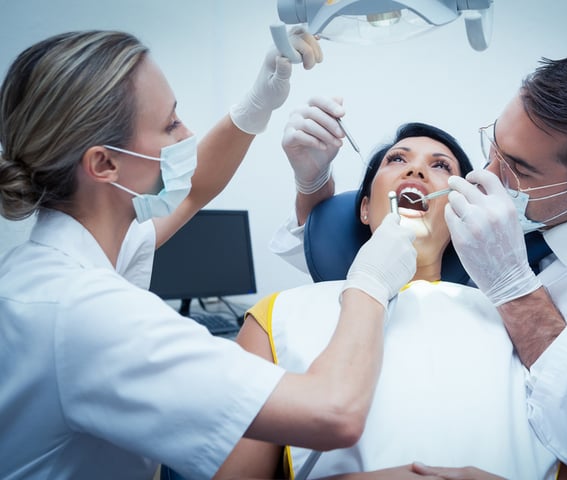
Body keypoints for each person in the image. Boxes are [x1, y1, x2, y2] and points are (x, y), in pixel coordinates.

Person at [271, 52, 567, 479]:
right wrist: (313, 182)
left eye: (517, 168)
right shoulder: (281, 317)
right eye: (493, 145)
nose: (485, 174)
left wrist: (512, 286)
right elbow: (329, 258)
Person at [0, 30, 418, 480]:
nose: (188, 135)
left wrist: (259, 102)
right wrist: (371, 280)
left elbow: (193, 188)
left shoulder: (70, 255)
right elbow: (333, 412)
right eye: (170, 125)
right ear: (104, 165)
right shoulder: (87, 312)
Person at [228, 120, 558, 480]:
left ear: (457, 214)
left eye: (440, 165)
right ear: (366, 209)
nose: (416, 169)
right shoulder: (276, 317)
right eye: (397, 160)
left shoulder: (521, 325)